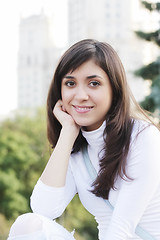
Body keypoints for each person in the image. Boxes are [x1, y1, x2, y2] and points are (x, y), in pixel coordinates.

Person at [8, 39, 160, 240]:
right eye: (70, 83)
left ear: (114, 90)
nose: (80, 95)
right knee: (27, 226)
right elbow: (43, 209)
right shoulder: (78, 148)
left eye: (94, 83)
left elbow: (122, 229)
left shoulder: (143, 137)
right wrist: (68, 133)